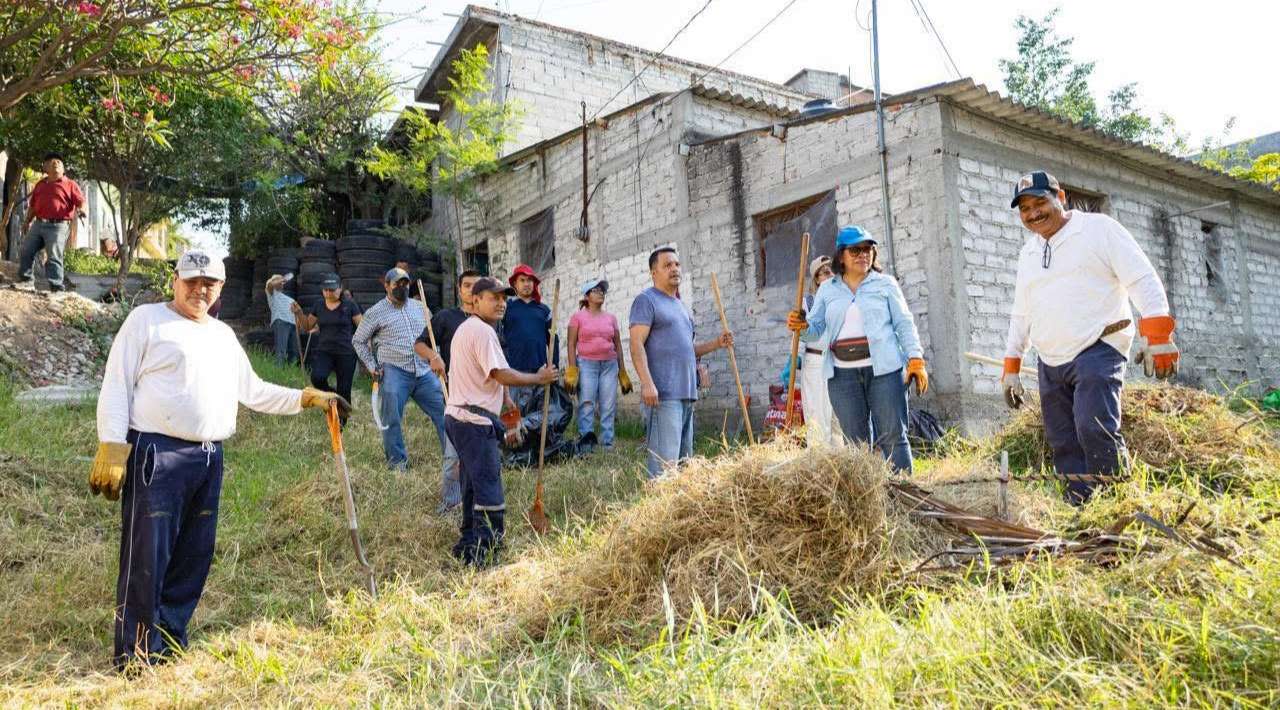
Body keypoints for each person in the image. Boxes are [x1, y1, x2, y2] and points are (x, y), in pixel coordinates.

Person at [91, 249, 348, 671]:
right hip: (157, 454)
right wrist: (112, 445)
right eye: (191, 280)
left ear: (220, 288)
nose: (199, 289)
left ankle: (170, 640)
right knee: (147, 558)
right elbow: (116, 385)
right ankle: (136, 655)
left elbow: (254, 390)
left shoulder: (222, 336)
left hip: (208, 458)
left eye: (208, 283)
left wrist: (305, 397)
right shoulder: (146, 321)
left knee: (194, 555)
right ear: (175, 280)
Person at [1001, 171, 1178, 504]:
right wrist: (1011, 364)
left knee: (1093, 427)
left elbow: (1142, 278)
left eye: (1041, 202)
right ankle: (1081, 509)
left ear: (1061, 197)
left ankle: (1116, 503)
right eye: (1025, 208)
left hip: (1099, 345)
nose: (1034, 213)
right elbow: (1021, 312)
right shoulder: (1028, 253)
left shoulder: (1098, 230)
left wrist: (1157, 335)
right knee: (1062, 439)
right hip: (1051, 358)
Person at [787, 226, 928, 473]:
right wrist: (803, 326)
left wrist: (915, 359)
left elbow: (904, 324)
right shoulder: (829, 289)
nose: (863, 254)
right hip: (843, 377)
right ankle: (870, 503)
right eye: (856, 250)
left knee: (893, 436)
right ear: (841, 255)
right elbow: (816, 329)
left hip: (884, 372)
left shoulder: (885, 284)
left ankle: (906, 501)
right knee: (856, 444)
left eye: (867, 249)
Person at [445, 277, 557, 565]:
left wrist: (507, 402)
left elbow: (491, 374)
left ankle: (468, 544)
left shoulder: (472, 329)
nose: (501, 303)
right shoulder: (481, 331)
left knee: (471, 483)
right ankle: (486, 551)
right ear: (476, 300)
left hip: (461, 416)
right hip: (472, 420)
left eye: (503, 299)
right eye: (493, 298)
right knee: (487, 486)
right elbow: (499, 373)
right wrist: (538, 378)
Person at [629, 247, 733, 478]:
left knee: (685, 467)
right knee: (664, 469)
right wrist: (646, 383)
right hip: (663, 395)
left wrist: (717, 343)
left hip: (687, 392)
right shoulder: (646, 301)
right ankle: (656, 510)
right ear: (653, 272)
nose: (674, 269)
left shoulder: (681, 307)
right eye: (667, 265)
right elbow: (636, 344)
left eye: (677, 264)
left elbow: (687, 349)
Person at [352, 267, 447, 472]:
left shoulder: (420, 307)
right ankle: (398, 465)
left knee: (445, 412)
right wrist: (371, 366)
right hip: (394, 370)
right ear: (386, 285)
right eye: (397, 284)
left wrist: (435, 357)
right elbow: (358, 341)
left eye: (405, 283)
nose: (402, 287)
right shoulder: (375, 312)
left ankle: (453, 459)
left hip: (423, 371)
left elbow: (432, 337)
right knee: (391, 418)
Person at [414, 269, 483, 513]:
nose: (471, 290)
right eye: (467, 285)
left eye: (477, 286)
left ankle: (479, 502)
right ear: (459, 289)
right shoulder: (446, 317)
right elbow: (420, 343)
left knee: (481, 454)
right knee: (453, 455)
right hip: (455, 393)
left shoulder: (489, 320)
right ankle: (450, 503)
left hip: (484, 396)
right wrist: (434, 356)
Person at [565, 277, 632, 452]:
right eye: (596, 290)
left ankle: (607, 444)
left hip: (610, 365)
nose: (600, 293)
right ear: (587, 296)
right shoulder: (577, 317)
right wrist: (572, 370)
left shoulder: (611, 318)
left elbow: (617, 344)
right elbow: (571, 344)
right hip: (587, 364)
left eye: (602, 290)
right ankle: (587, 444)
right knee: (586, 403)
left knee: (608, 405)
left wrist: (622, 372)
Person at [293, 273, 363, 428]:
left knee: (344, 388)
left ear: (340, 288)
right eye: (326, 290)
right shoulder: (318, 305)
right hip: (325, 351)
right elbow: (307, 326)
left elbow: (363, 327)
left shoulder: (350, 305)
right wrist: (299, 313)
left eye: (332, 289)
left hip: (346, 353)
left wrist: (365, 344)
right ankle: (333, 395)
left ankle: (341, 423)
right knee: (317, 378)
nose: (329, 293)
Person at [18, 153, 85, 292]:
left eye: (59, 162)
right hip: (39, 223)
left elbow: (81, 202)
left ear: (63, 168)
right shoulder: (40, 185)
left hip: (58, 226)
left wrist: (82, 210)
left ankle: (56, 288)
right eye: (51, 162)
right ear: (45, 167)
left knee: (54, 255)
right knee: (26, 250)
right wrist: (26, 222)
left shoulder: (70, 184)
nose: (55, 163)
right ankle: (26, 281)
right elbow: (33, 206)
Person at [799, 255, 842, 447]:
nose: (830, 274)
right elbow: (799, 334)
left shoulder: (841, 300)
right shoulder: (808, 302)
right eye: (825, 272)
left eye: (833, 270)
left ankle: (841, 466)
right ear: (816, 278)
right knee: (818, 417)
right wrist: (794, 360)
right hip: (815, 363)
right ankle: (819, 467)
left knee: (838, 418)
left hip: (838, 361)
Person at [501, 263, 558, 374]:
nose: (526, 284)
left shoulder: (545, 310)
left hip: (540, 371)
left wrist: (554, 367)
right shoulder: (506, 308)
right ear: (515, 284)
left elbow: (553, 340)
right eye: (522, 280)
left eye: (529, 280)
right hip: (514, 372)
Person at [265, 275, 300, 365]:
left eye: (281, 281)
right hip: (281, 321)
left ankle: (291, 372)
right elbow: (270, 284)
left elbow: (298, 310)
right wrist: (283, 279)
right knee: (281, 350)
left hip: (293, 323)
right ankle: (278, 371)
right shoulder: (272, 293)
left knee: (294, 351)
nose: (281, 283)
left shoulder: (289, 299)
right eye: (278, 280)